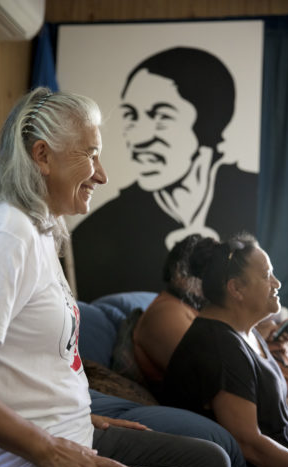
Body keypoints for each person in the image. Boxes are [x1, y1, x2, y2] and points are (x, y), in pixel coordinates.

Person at [0, 87, 231, 467]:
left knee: (213, 464)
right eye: (90, 154)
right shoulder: (5, 233)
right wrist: (47, 448)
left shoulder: (41, 229)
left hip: (71, 432)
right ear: (42, 156)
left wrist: (79, 415)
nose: (102, 174)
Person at [72, 47, 258, 302]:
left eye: (160, 115)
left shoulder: (260, 198)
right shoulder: (97, 233)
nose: (137, 137)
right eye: (131, 116)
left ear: (208, 123)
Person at [162, 233, 288, 467]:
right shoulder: (218, 346)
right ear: (236, 289)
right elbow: (250, 445)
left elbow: (281, 402)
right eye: (266, 275)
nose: (277, 282)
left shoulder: (245, 331)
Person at [133, 234, 205, 397]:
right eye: (205, 270)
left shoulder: (191, 308)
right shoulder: (167, 312)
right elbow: (206, 378)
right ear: (179, 271)